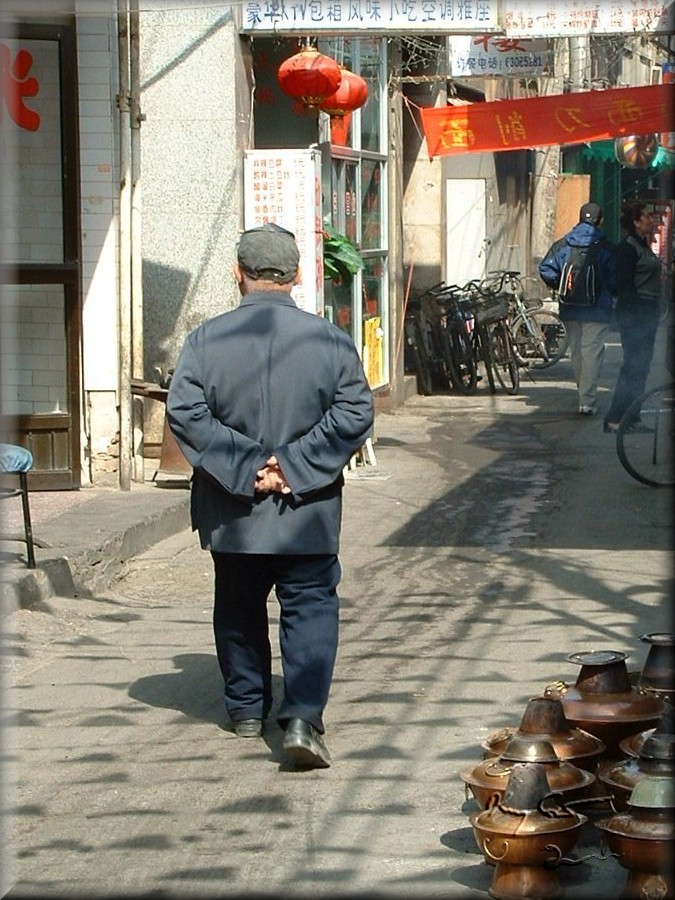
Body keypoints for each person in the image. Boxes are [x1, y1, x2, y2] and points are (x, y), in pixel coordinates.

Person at [166, 222, 374, 769]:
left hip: (233, 508)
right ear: (298, 275)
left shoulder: (205, 340)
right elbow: (356, 411)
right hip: (307, 509)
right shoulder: (330, 340)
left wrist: (247, 466)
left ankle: (246, 709)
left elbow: (185, 412)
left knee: (237, 604)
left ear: (238, 274)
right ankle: (303, 717)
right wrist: (294, 465)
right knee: (309, 606)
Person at [539, 202, 616, 416]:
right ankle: (587, 400)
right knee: (592, 352)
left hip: (570, 307)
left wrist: (561, 285)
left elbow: (545, 268)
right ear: (600, 220)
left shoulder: (563, 243)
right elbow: (615, 279)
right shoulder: (606, 247)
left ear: (580, 218)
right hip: (598, 309)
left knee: (577, 353)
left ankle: (582, 393)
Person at [603, 201, 663, 433]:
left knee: (642, 368)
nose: (650, 220)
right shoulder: (628, 249)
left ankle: (633, 416)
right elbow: (625, 286)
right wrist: (634, 318)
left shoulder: (643, 245)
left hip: (648, 314)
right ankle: (615, 418)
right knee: (632, 367)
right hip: (636, 317)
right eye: (646, 216)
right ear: (636, 222)